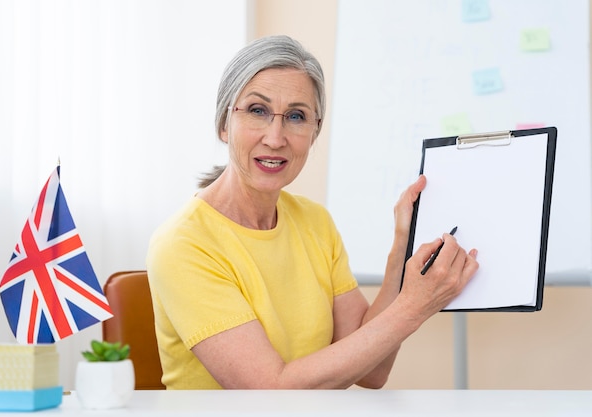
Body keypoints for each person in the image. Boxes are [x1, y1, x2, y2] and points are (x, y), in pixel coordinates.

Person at [146, 35, 479, 390]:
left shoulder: (315, 222)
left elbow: (372, 371)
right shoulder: (182, 243)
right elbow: (270, 391)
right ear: (223, 124)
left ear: (314, 131)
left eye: (296, 116)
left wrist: (402, 246)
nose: (276, 138)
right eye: (257, 111)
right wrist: (413, 307)